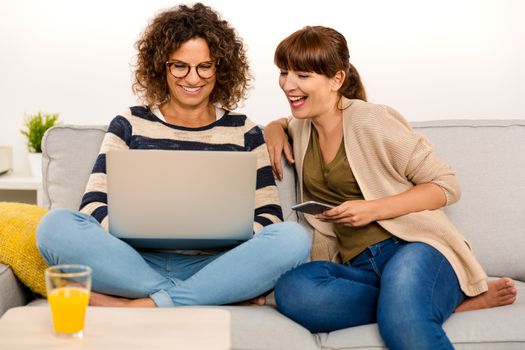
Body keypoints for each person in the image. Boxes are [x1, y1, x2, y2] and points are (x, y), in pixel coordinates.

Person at [36, 3, 310, 308]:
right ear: (160, 66)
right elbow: (92, 207)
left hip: (215, 265)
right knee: (54, 226)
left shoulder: (245, 131)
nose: (192, 79)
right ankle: (203, 295)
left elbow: (270, 218)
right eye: (179, 65)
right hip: (133, 261)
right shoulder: (129, 123)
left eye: (204, 66)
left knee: (293, 239)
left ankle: (144, 303)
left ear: (220, 67)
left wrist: (227, 236)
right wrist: (134, 229)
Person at [264, 26, 517, 348]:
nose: (288, 85)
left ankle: (413, 306)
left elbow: (446, 185)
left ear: (336, 80)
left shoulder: (372, 120)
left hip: (413, 248)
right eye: (283, 72)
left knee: (404, 316)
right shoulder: (301, 126)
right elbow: (287, 121)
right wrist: (274, 127)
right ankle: (436, 303)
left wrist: (373, 209)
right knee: (294, 290)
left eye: (302, 75)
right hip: (360, 268)